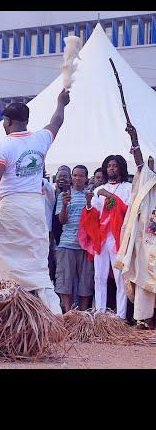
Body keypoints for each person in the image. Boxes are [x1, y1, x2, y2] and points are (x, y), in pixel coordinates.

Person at [0, 89, 70, 316]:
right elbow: (57, 121)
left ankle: (6, 311)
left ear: (7, 121)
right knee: (36, 263)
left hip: (10, 207)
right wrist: (61, 102)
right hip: (35, 208)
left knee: (1, 258)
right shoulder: (40, 139)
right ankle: (53, 313)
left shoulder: (3, 146)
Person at [79, 154, 132, 319]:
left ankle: (121, 316)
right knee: (99, 275)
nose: (111, 168)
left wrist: (110, 196)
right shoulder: (97, 190)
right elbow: (92, 215)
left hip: (118, 237)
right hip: (101, 237)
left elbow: (127, 212)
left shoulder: (128, 188)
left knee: (119, 277)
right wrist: (88, 203)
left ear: (121, 168)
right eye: (109, 166)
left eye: (114, 166)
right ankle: (100, 313)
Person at [116, 125, 156, 329]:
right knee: (143, 281)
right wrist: (135, 139)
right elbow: (141, 165)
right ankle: (144, 319)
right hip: (147, 242)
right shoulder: (150, 183)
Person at [54, 165, 94, 311]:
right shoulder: (63, 196)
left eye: (81, 176)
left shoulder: (90, 195)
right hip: (67, 243)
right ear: (71, 177)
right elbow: (62, 221)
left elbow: (93, 219)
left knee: (86, 281)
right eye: (75, 175)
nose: (77, 178)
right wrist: (64, 205)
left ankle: (83, 313)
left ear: (86, 178)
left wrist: (89, 202)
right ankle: (68, 312)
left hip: (85, 246)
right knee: (65, 280)